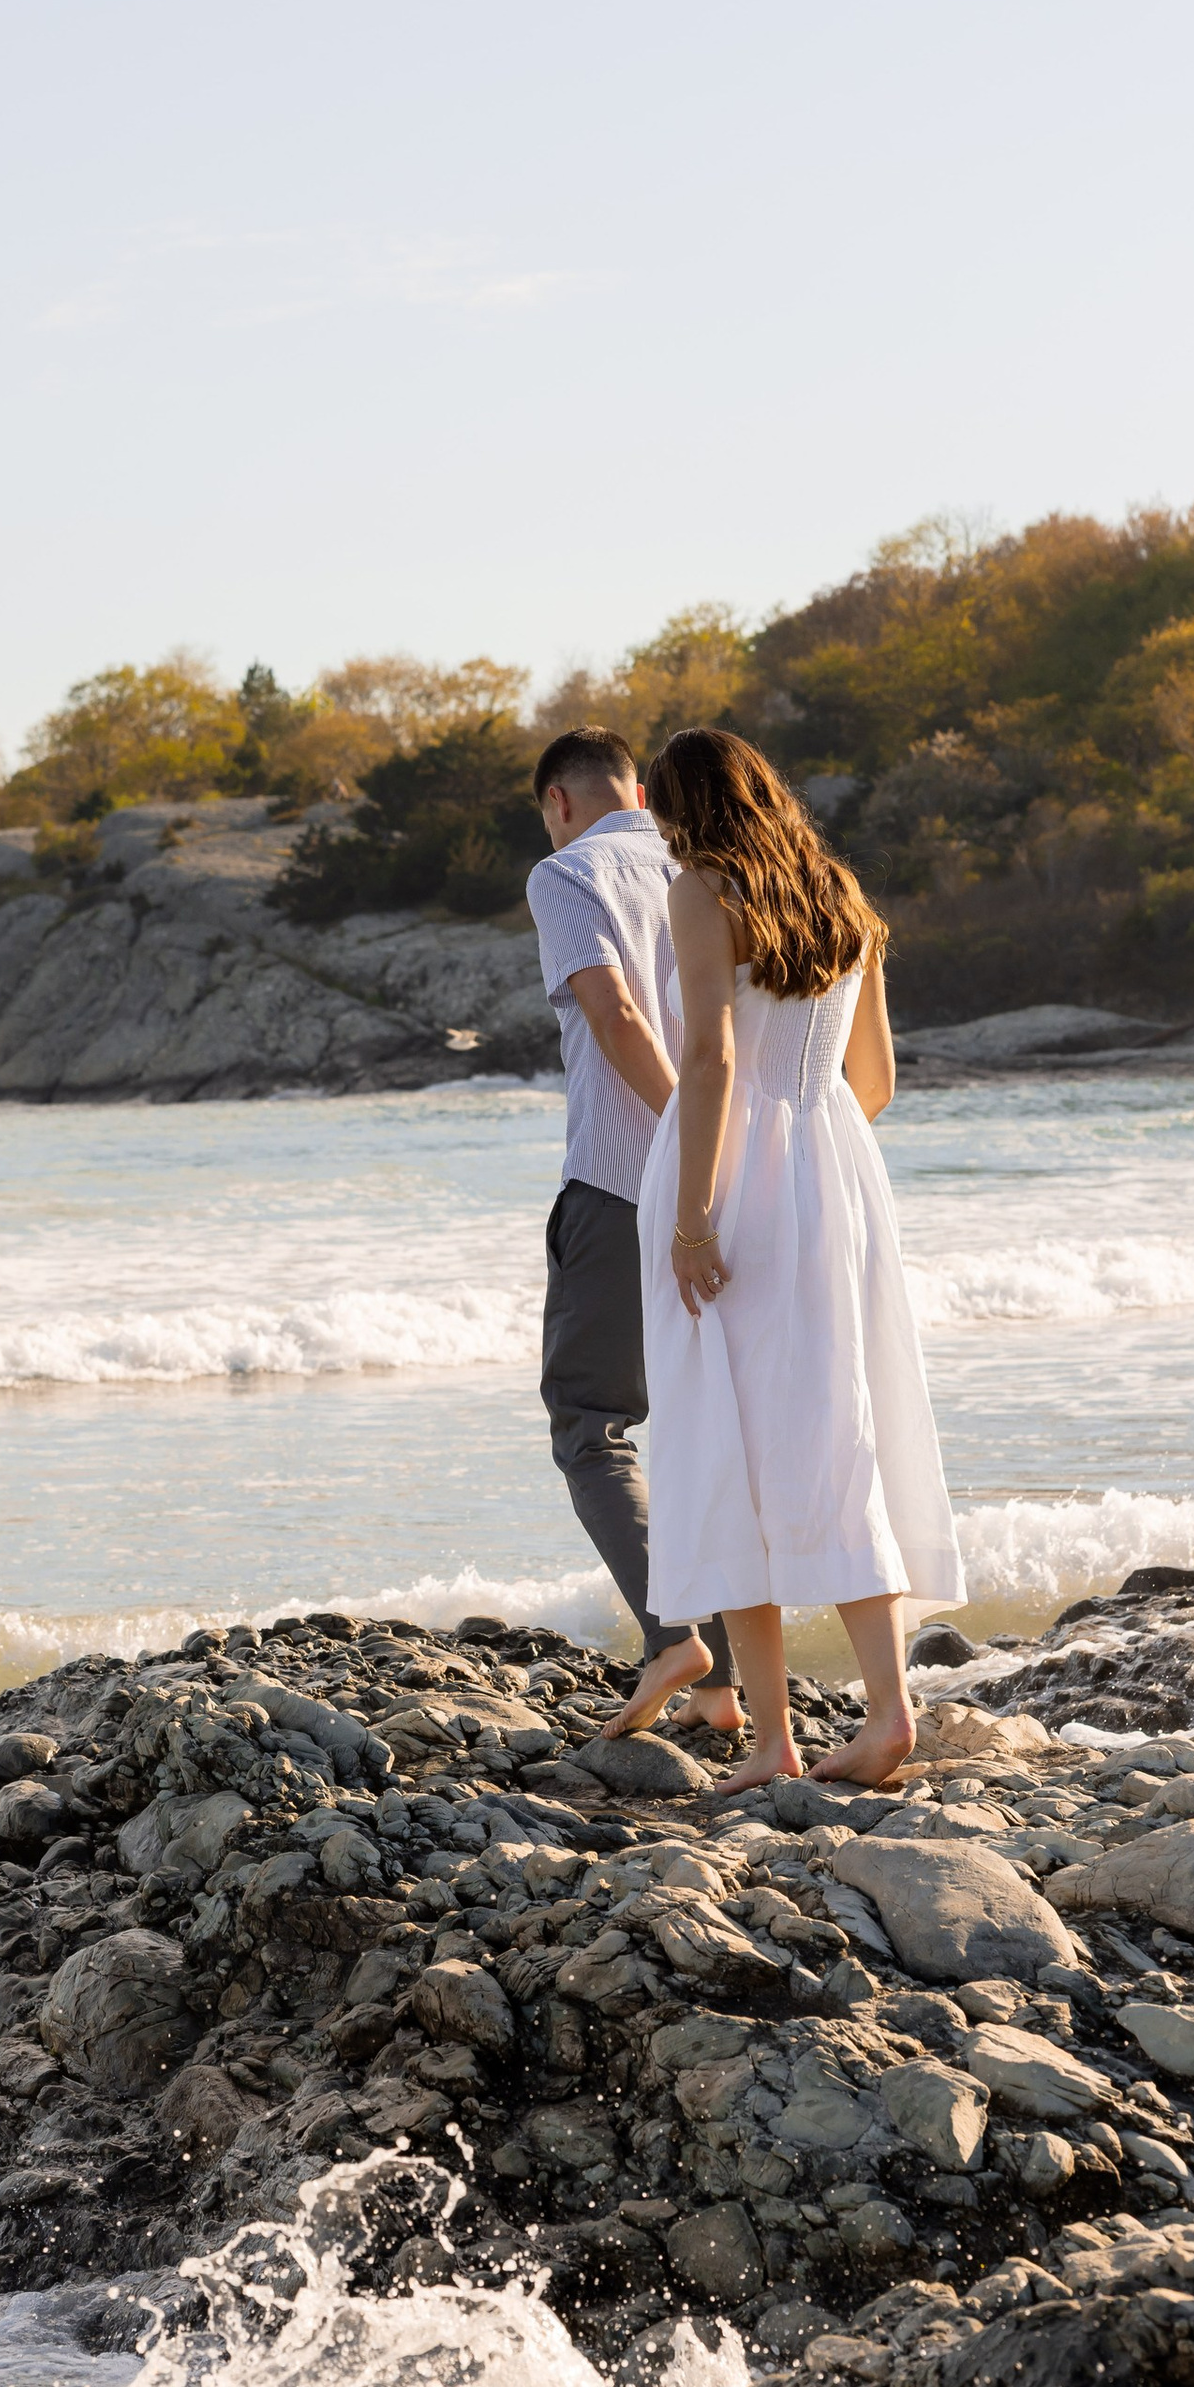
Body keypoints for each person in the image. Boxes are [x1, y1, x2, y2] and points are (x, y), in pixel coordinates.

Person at [619, 725, 961, 1795]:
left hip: (736, 1179)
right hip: (836, 1173)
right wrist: (811, 1156)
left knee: (727, 1440)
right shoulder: (842, 894)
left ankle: (773, 1740)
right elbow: (879, 1078)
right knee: (834, 1431)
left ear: (682, 811)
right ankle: (886, 1709)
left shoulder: (700, 889)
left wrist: (694, 1214)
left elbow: (711, 1056)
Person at [525, 725, 741, 1737]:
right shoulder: (705, 867)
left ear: (558, 802)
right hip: (731, 1180)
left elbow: (613, 1013)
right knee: (703, 1423)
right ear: (644, 793)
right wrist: (712, 1151)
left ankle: (673, 1639)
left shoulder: (563, 872)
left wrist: (673, 1133)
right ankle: (726, 1686)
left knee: (589, 1422)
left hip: (618, 1185)